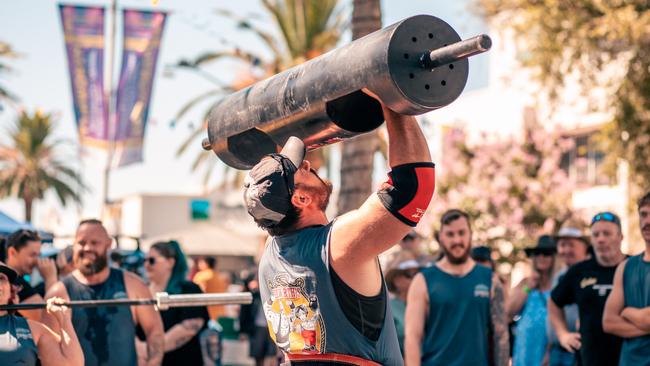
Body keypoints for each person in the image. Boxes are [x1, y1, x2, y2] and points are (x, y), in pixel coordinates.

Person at [243, 92, 435, 365]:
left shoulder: (270, 258)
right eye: (300, 168)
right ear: (301, 199)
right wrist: (392, 96)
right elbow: (412, 188)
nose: (308, 163)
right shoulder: (335, 244)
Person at [43, 219, 164, 366]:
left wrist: (153, 362)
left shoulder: (132, 284)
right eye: (81, 242)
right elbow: (50, 350)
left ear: (108, 244)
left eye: (94, 243)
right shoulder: (58, 293)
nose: (87, 247)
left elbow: (154, 331)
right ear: (74, 245)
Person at [404, 209, 509, 366]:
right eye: (450, 234)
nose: (457, 240)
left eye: (461, 233)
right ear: (441, 238)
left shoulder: (490, 279)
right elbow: (412, 338)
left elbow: (500, 336)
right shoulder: (422, 280)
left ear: (470, 234)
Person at [549, 212, 627, 366]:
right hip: (589, 359)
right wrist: (563, 334)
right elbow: (553, 302)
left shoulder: (634, 267)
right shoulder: (579, 271)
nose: (601, 239)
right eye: (596, 234)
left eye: (607, 234)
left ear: (620, 237)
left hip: (629, 358)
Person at [139, 240, 210, 366]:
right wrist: (139, 348)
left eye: (151, 260)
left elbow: (188, 329)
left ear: (170, 262)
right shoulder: (140, 290)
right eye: (144, 260)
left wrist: (150, 351)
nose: (146, 265)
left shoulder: (189, 289)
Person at [0, 261, 84, 366]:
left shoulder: (30, 329)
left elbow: (73, 364)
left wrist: (64, 319)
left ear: (10, 290)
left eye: (1, 278)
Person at [603, 192, 650, 365]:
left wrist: (627, 312)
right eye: (644, 214)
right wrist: (644, 321)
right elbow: (609, 322)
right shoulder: (626, 267)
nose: (647, 222)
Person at [508, 235, 557, 366]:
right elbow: (509, 312)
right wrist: (528, 287)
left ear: (553, 258)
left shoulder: (558, 285)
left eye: (546, 254)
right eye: (537, 254)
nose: (541, 257)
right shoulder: (525, 283)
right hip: (525, 348)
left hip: (547, 348)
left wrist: (550, 351)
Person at [548, 222, 591, 366]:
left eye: (571, 245)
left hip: (579, 350)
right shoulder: (558, 276)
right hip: (557, 349)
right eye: (562, 245)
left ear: (584, 247)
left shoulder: (590, 274)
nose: (566, 250)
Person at [4, 229, 57, 321]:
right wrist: (50, 278)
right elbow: (47, 319)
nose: (37, 260)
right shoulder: (13, 281)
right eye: (32, 255)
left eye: (38, 255)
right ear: (12, 252)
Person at [239, 271, 277, 366]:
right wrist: (243, 330)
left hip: (272, 327)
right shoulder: (253, 295)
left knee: (271, 354)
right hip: (257, 327)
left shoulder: (273, 294)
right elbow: (244, 313)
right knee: (258, 355)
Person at [385, 254, 419, 355]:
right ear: (396, 280)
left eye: (417, 273)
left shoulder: (426, 304)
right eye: (409, 275)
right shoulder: (389, 309)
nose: (416, 278)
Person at [193, 256, 229, 321]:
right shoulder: (219, 276)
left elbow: (195, 292)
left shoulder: (201, 276)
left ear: (206, 263)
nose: (199, 264)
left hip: (206, 312)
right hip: (220, 311)